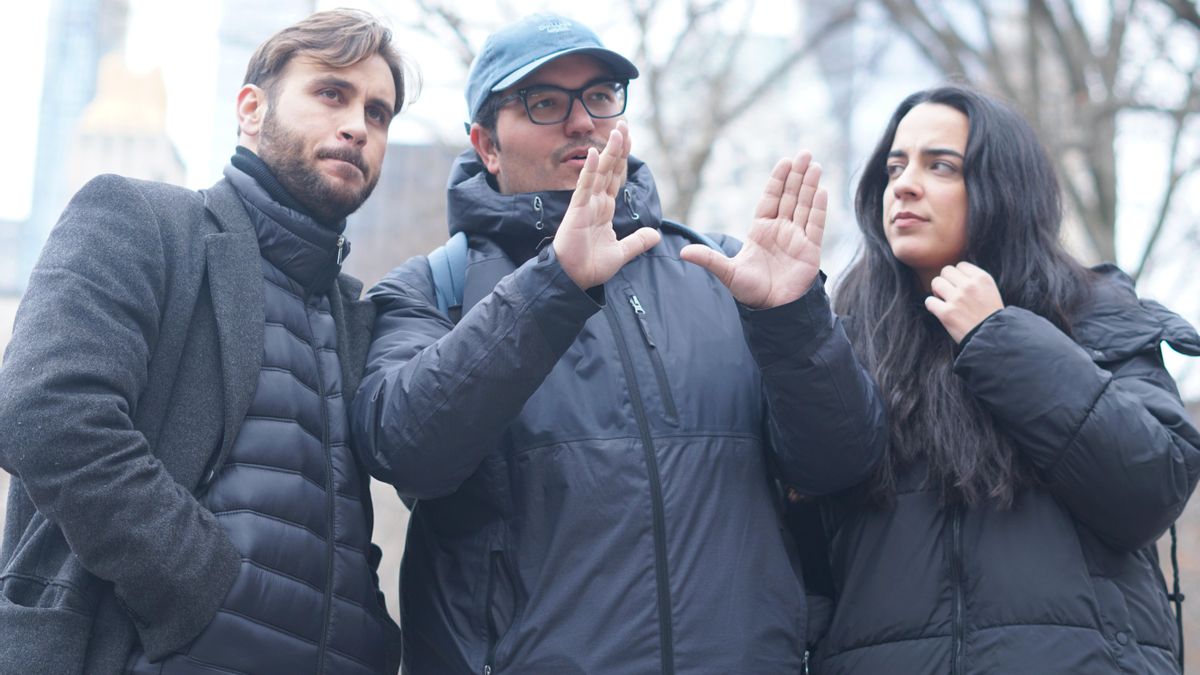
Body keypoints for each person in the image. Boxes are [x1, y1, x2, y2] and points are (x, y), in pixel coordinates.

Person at [351, 12, 885, 674]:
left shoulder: (723, 272)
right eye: (544, 102)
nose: (583, 122)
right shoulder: (434, 288)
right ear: (485, 144)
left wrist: (793, 321)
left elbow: (840, 465)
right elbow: (407, 451)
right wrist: (556, 284)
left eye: (600, 95)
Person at [0, 9, 411, 674]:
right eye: (332, 93)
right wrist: (201, 586)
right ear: (250, 109)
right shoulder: (142, 218)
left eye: (380, 112)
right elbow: (47, 412)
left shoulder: (354, 313)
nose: (358, 125)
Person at [809, 84, 1200, 673]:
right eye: (895, 166)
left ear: (1004, 189)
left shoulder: (1097, 315)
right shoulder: (846, 340)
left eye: (941, 165)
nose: (905, 184)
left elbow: (1149, 489)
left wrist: (998, 336)